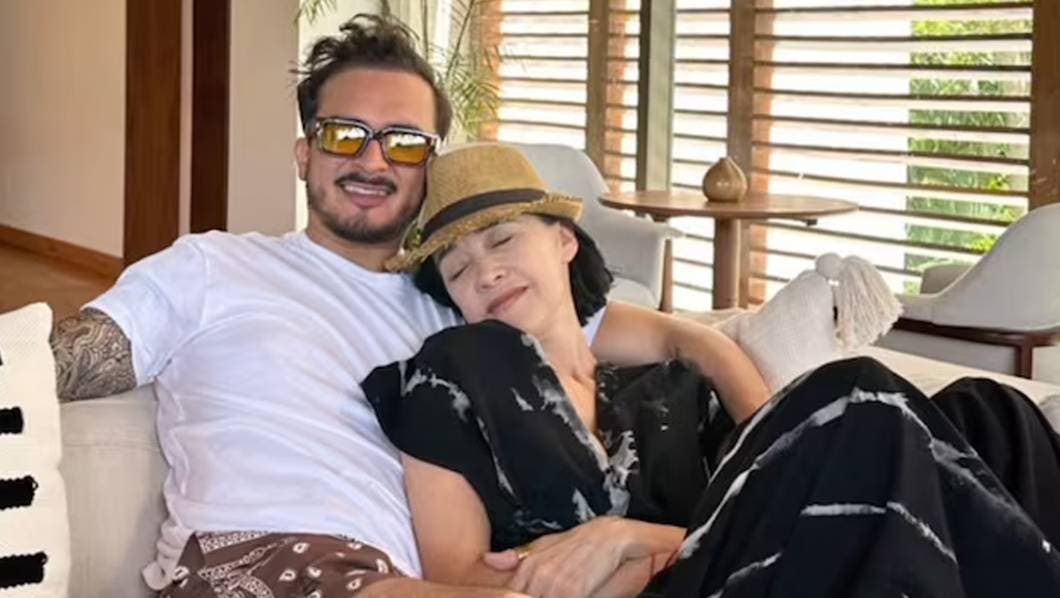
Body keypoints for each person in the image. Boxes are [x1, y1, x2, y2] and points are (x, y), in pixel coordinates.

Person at [49, 14, 768, 598]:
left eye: (403, 142)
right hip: (258, 560)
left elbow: (662, 334)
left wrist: (745, 415)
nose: (372, 161)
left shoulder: (469, 298)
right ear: (304, 155)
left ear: (428, 164)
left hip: (408, 581)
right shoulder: (213, 268)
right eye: (344, 135)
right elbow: (62, 362)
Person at [363, 143, 1060, 598]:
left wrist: (632, 537)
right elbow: (456, 576)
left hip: (748, 551)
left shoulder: (648, 379)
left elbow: (705, 365)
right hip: (691, 585)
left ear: (565, 241)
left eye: (503, 240)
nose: (485, 272)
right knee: (858, 398)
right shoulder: (450, 375)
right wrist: (624, 559)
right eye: (457, 269)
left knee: (991, 412)